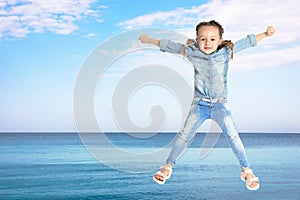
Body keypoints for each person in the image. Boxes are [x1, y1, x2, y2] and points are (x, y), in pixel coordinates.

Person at [138, 20, 275, 190]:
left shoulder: (226, 52)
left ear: (219, 40)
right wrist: (149, 40)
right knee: (184, 136)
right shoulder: (192, 52)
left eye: (212, 39)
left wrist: (266, 34)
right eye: (202, 39)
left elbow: (246, 42)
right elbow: (171, 46)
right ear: (196, 40)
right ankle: (168, 166)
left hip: (221, 106)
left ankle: (246, 170)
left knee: (233, 137)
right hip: (199, 105)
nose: (207, 43)